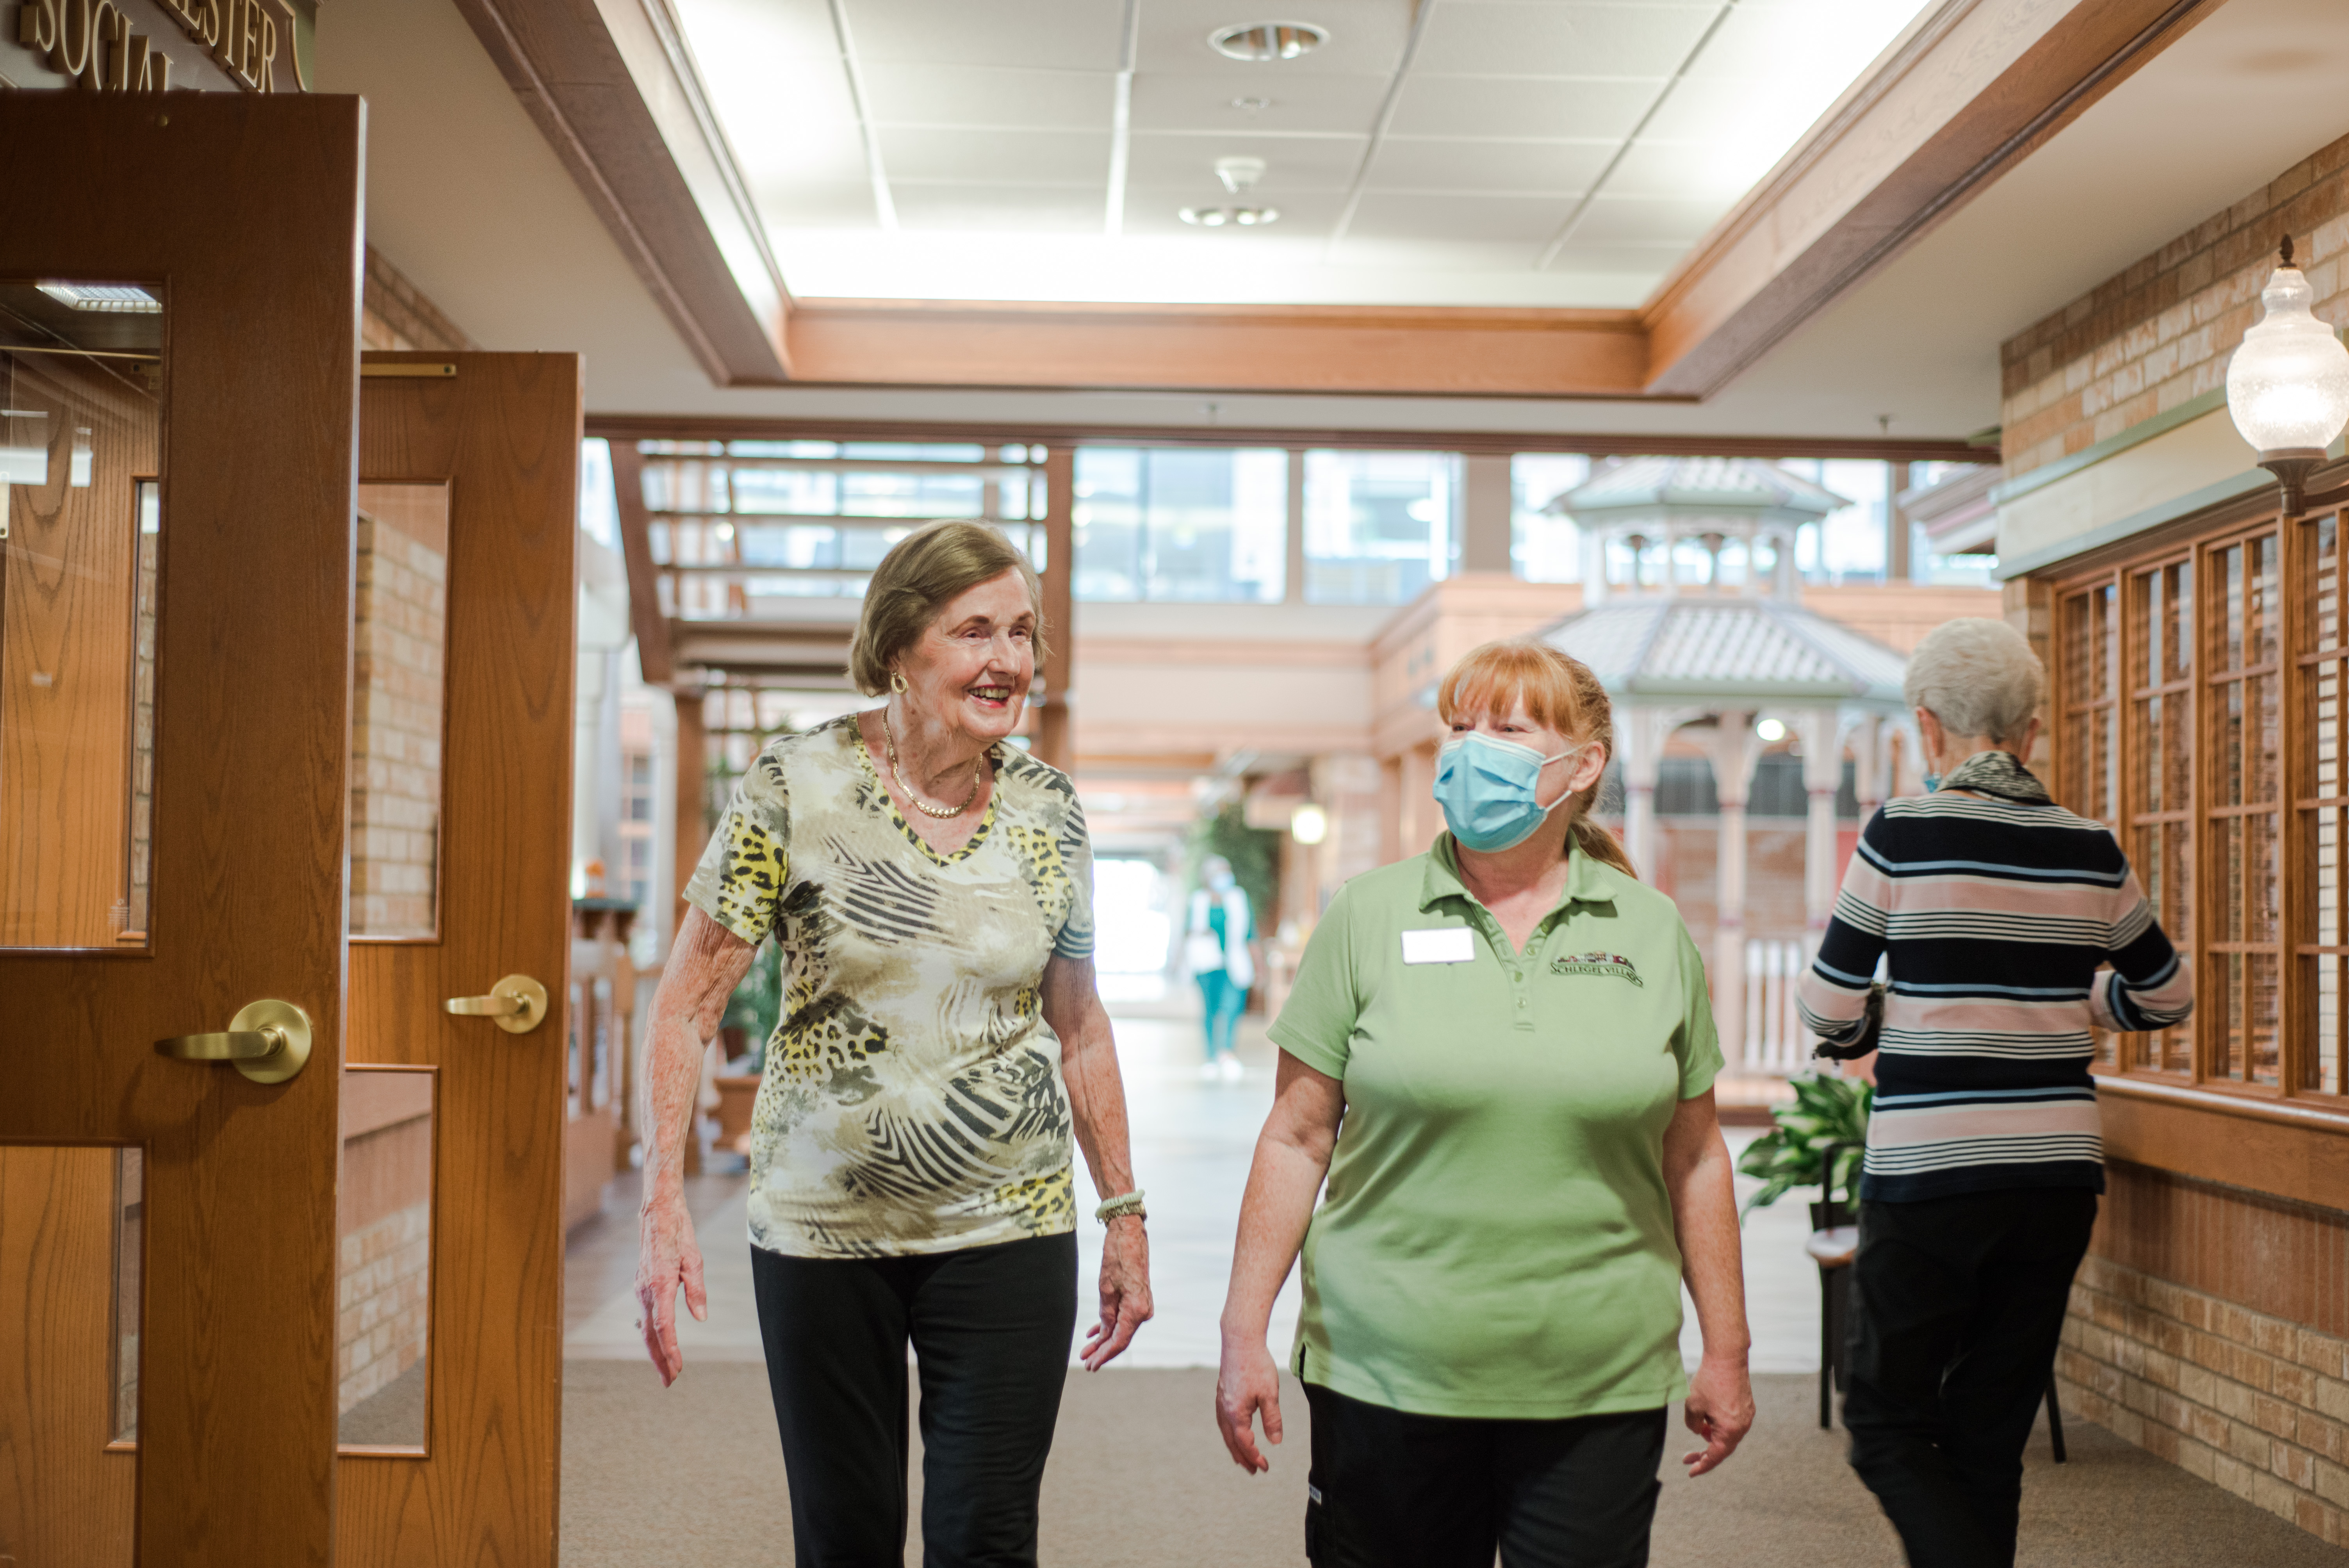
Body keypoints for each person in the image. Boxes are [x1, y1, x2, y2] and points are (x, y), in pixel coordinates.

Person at [633, 521, 1154, 1568]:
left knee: (987, 1536)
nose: (1007, 660)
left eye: (1021, 632)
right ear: (898, 647)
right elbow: (688, 1005)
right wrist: (662, 1205)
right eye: (973, 632)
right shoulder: (797, 784)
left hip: (1010, 1219)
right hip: (824, 1229)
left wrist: (1125, 1212)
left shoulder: (1049, 809)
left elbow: (1081, 1023)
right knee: (846, 1538)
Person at [1215, 638, 1754, 1568]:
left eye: (1506, 727)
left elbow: (1696, 1153)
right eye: (1460, 726)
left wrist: (1728, 1347)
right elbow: (1296, 1136)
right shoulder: (1367, 915)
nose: (1471, 749)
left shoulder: (1651, 929)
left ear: (1581, 766)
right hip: (1386, 1368)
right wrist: (1241, 1330)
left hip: (1600, 1376)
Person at [1798, 617, 2192, 1568]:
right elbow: (2165, 993)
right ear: (2030, 727)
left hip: (1931, 1169)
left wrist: (1885, 1018)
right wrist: (2065, 1000)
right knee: (1986, 1434)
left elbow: (1827, 1002)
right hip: (2055, 1177)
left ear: (1928, 726)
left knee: (1885, 1418)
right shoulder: (2090, 847)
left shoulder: (1901, 829)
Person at [1186, 854, 1256, 1080]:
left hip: (1235, 963)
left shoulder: (1239, 898)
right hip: (1207, 965)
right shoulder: (1198, 900)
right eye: (1219, 872)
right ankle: (1210, 1056)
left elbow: (1250, 933)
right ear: (1207, 876)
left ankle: (1226, 1053)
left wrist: (1259, 964)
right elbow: (1186, 932)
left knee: (1232, 1008)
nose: (1225, 876)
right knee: (1210, 1011)